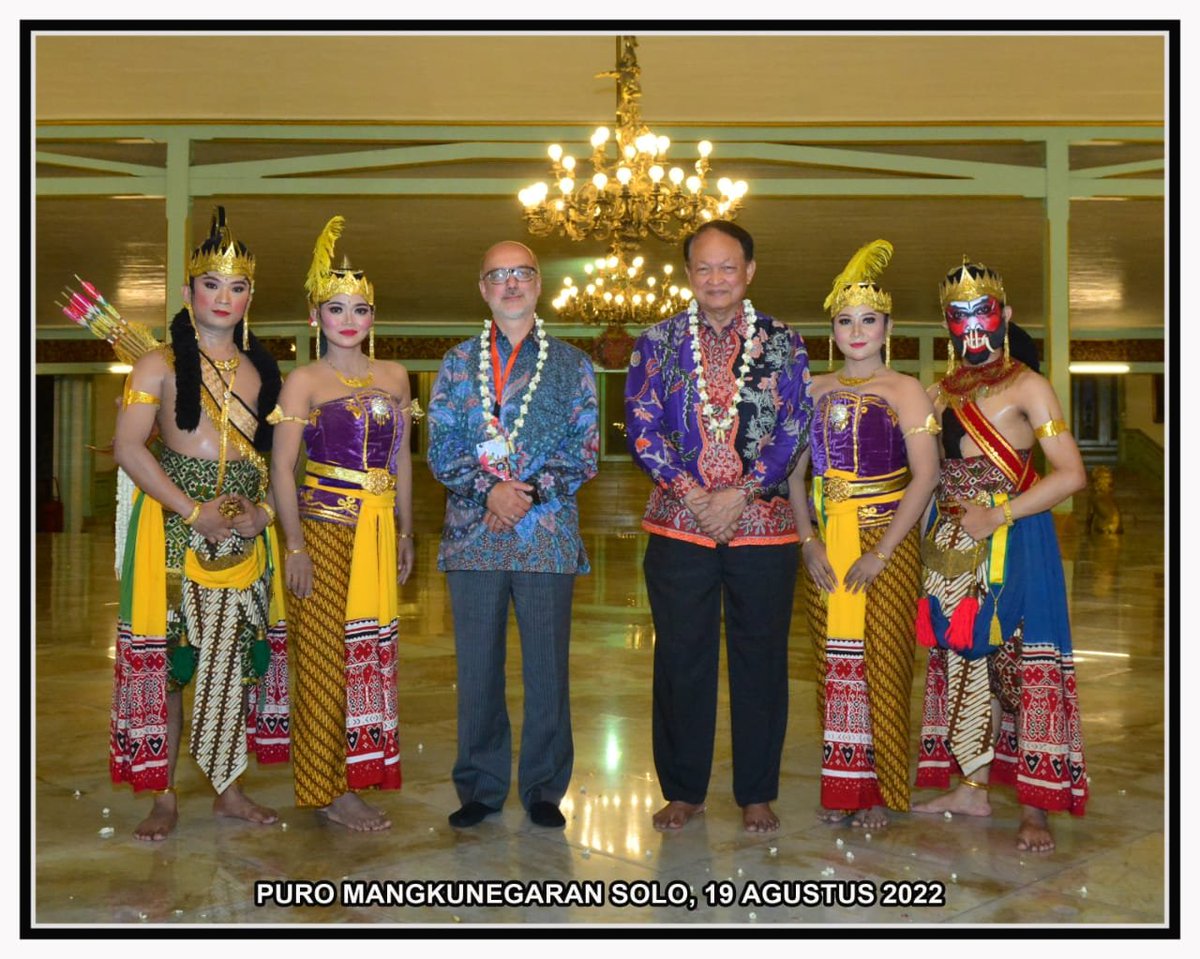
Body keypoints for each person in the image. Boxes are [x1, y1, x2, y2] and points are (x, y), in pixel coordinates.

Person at [625, 220, 811, 833]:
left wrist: (745, 492)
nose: (715, 278)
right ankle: (684, 790)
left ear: (749, 272)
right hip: (680, 526)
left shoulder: (785, 343)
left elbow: (793, 426)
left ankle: (757, 792)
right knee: (681, 659)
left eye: (727, 266)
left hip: (765, 528)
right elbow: (642, 423)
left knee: (761, 661)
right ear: (688, 275)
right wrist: (691, 492)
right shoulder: (655, 342)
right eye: (703, 267)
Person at [110, 208, 288, 841]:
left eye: (237, 288)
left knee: (237, 656)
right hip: (173, 522)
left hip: (245, 527)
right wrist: (193, 512)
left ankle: (229, 789)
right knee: (172, 659)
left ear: (249, 298)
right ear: (189, 293)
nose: (225, 298)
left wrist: (262, 515)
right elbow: (130, 448)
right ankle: (163, 796)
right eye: (212, 285)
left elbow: (275, 460)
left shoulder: (263, 370)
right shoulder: (155, 364)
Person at [910, 257, 1089, 852]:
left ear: (1005, 314)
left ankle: (1036, 807)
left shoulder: (1029, 386)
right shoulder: (937, 393)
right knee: (962, 665)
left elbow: (1070, 476)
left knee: (1022, 665)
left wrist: (999, 515)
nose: (972, 325)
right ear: (946, 325)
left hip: (1017, 536)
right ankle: (971, 785)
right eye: (958, 317)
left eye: (982, 311)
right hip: (951, 548)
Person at [427, 240, 598, 829]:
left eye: (521, 273)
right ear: (482, 288)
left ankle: (545, 788)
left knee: (547, 668)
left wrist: (520, 495)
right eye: (497, 274)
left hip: (544, 533)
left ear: (539, 283)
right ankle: (479, 786)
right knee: (477, 669)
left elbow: (584, 451)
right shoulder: (455, 363)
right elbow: (442, 447)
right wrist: (487, 493)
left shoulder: (573, 365)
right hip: (473, 534)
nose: (510, 283)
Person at [269, 216, 415, 832]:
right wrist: (294, 543)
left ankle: (356, 774)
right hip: (324, 529)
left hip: (380, 531)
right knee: (326, 659)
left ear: (373, 316)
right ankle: (324, 789)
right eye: (336, 308)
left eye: (359, 308)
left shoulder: (395, 377)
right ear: (316, 317)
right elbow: (282, 467)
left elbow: (402, 457)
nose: (348, 318)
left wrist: (408, 531)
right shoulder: (304, 381)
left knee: (369, 656)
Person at [787, 240, 939, 830]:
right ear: (832, 329)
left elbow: (925, 477)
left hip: (887, 544)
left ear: (888, 327)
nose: (857, 331)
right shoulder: (813, 390)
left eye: (868, 320)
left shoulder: (906, 390)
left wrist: (883, 552)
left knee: (884, 660)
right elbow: (795, 475)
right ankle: (843, 788)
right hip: (829, 541)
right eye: (845, 321)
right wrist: (808, 542)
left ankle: (880, 790)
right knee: (833, 663)